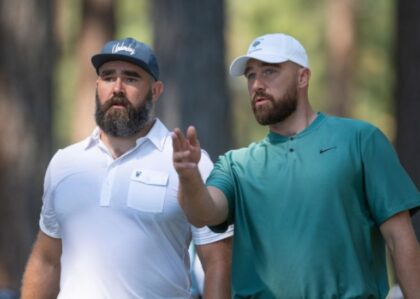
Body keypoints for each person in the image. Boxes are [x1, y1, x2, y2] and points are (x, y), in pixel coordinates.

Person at [172, 33, 420, 298]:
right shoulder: (236, 165)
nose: (257, 84)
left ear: (303, 77)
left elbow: (400, 238)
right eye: (251, 75)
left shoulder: (360, 140)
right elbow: (204, 213)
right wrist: (189, 176)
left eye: (269, 71)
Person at [20, 37, 233, 299]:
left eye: (131, 78)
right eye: (108, 77)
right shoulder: (65, 163)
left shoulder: (188, 162)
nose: (117, 88)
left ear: (155, 90)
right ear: (97, 85)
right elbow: (47, 260)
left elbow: (217, 262)